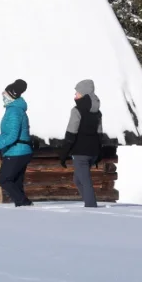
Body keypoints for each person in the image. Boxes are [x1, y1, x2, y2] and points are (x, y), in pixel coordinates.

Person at [0, 79, 34, 207]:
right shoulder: (13, 110)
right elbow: (6, 134)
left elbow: (11, 136)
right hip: (20, 151)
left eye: (6, 93)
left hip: (17, 151)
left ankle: (24, 203)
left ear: (12, 95)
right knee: (15, 183)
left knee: (3, 179)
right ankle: (23, 208)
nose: (3, 95)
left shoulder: (14, 111)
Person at [59, 79, 104, 207]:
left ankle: (91, 207)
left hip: (81, 153)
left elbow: (71, 133)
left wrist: (64, 153)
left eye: (77, 93)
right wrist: (99, 152)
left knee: (85, 181)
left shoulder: (76, 110)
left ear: (84, 94)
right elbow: (100, 133)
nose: (75, 96)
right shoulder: (97, 112)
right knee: (78, 179)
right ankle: (89, 203)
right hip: (93, 152)